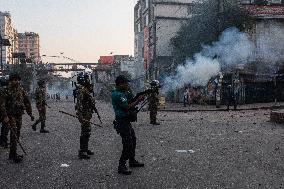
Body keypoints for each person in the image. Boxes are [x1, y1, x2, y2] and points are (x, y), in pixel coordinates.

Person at [112, 75, 145, 175]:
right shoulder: (117, 94)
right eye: (125, 83)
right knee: (127, 144)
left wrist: (137, 97)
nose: (127, 85)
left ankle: (132, 160)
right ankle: (121, 166)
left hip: (126, 121)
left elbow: (130, 100)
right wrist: (138, 100)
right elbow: (127, 107)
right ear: (120, 84)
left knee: (133, 140)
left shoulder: (124, 92)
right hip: (122, 121)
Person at [0, 73, 34, 163]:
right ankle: (14, 154)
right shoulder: (6, 90)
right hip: (10, 115)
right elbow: (2, 104)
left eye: (18, 80)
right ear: (11, 81)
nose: (17, 81)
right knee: (14, 132)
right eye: (15, 80)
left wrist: (30, 114)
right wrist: (5, 116)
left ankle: (12, 153)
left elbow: (27, 102)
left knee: (17, 133)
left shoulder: (21, 90)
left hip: (19, 115)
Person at [75, 73, 97, 159]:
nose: (89, 81)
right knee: (84, 132)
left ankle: (85, 149)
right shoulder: (81, 90)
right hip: (84, 113)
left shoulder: (85, 89)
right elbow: (79, 103)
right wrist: (80, 115)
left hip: (87, 113)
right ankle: (82, 151)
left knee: (87, 131)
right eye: (88, 79)